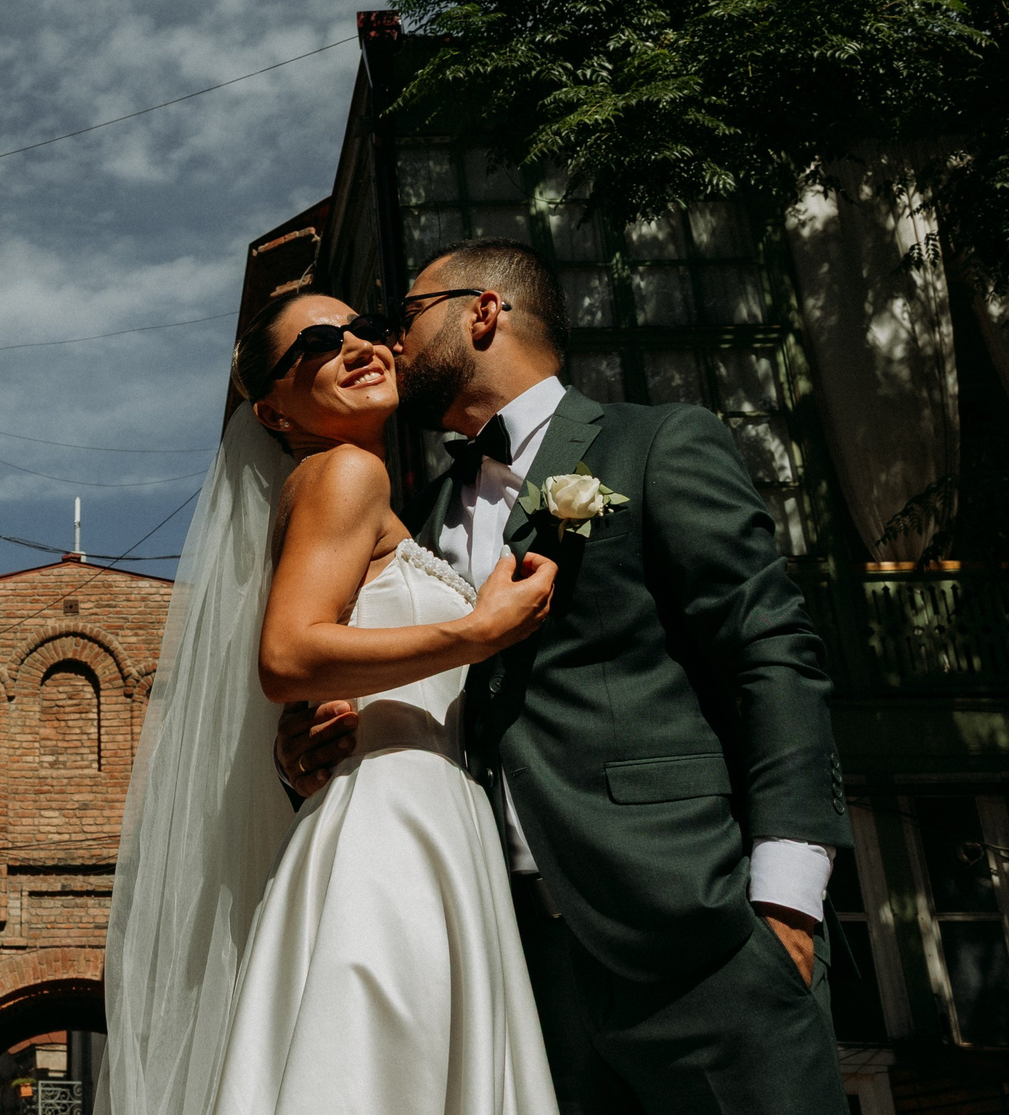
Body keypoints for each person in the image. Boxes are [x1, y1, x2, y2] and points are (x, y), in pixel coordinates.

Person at [276, 240, 852, 1115]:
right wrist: (318, 745)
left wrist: (786, 904)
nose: (390, 344)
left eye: (406, 317)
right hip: (512, 963)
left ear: (482, 312)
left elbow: (771, 655)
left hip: (693, 936)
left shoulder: (656, 443)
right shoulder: (413, 520)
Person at [100, 288, 561, 1115]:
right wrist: (478, 630)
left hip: (423, 814)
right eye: (318, 340)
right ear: (272, 409)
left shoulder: (373, 496)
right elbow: (288, 654)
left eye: (367, 328)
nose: (358, 345)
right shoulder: (348, 471)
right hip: (395, 833)